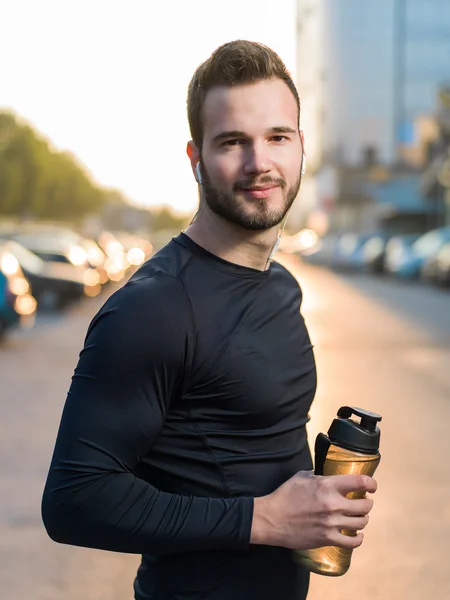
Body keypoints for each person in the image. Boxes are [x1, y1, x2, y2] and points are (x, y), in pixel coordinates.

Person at [41, 40, 377, 600]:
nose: (258, 162)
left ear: (300, 148)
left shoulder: (283, 287)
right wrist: (265, 520)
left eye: (277, 137)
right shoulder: (153, 308)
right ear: (196, 160)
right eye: (232, 142)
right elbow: (74, 500)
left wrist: (317, 500)